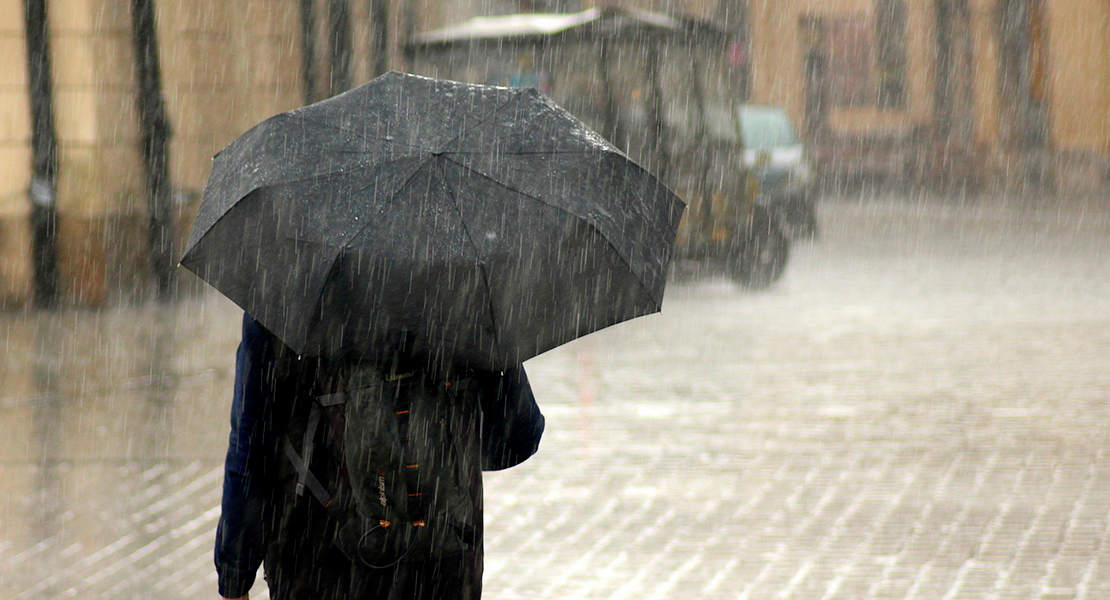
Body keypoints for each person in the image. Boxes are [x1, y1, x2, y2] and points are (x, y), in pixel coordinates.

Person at [215, 314, 545, 600]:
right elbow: (519, 435)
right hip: (443, 553)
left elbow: (251, 445)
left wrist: (235, 572)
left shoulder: (291, 281)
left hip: (318, 557)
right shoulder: (461, 277)